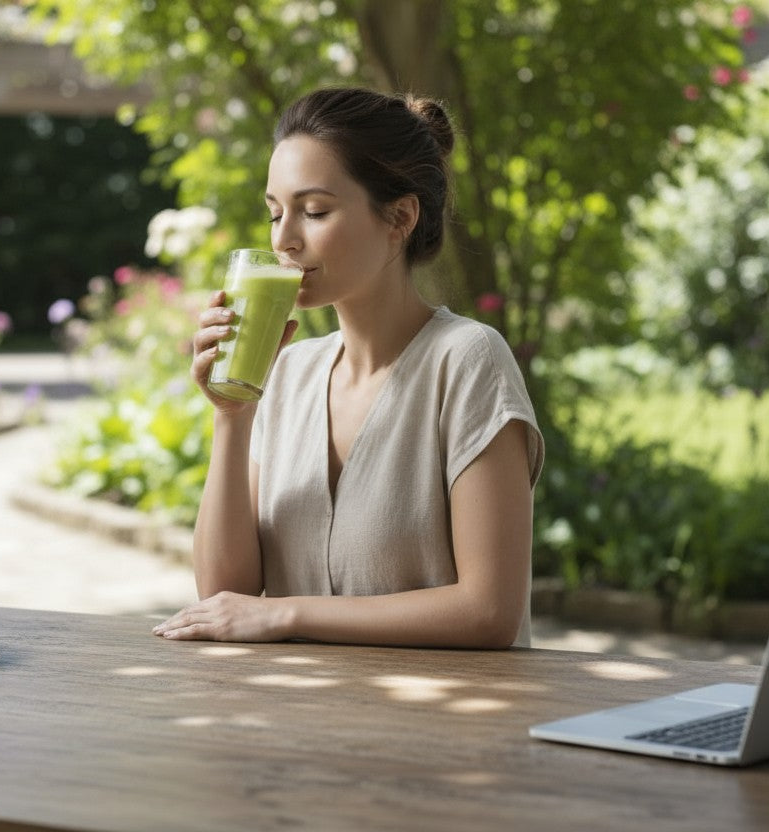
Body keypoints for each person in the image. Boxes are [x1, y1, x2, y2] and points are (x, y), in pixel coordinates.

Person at [152, 87, 544, 648]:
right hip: (304, 723)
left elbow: (488, 611)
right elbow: (223, 591)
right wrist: (232, 416)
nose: (285, 239)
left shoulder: (466, 361)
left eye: (314, 212)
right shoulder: (287, 374)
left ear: (400, 217)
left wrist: (286, 615)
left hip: (445, 728)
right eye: (275, 213)